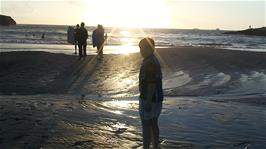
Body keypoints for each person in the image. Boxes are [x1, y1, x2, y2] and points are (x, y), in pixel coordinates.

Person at [138, 38, 163, 149]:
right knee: (153, 123)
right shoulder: (154, 60)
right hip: (157, 98)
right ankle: (155, 145)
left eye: (142, 48)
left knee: (146, 125)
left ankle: (146, 146)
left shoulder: (150, 63)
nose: (140, 51)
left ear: (149, 48)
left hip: (149, 98)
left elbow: (151, 83)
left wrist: (148, 101)